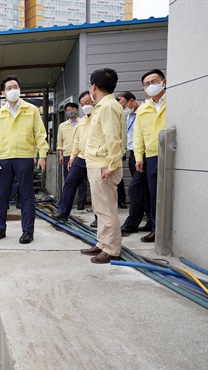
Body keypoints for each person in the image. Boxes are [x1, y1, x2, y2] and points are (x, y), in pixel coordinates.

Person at [0, 75, 49, 244]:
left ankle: (28, 231)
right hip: (4, 159)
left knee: (27, 195)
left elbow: (40, 135)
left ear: (19, 89)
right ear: (3, 92)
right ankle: (0, 228)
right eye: (9, 88)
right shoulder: (0, 114)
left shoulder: (31, 110)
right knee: (1, 195)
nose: (12, 90)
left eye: (15, 87)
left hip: (25, 157)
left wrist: (42, 155)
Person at [80, 68, 126, 264]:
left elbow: (113, 138)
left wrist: (112, 165)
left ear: (94, 86)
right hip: (97, 164)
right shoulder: (103, 106)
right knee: (100, 208)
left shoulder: (107, 107)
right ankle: (102, 243)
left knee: (106, 209)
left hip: (103, 166)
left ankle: (111, 249)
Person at [133, 69, 167, 243]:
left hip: (172, 153)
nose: (150, 86)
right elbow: (138, 135)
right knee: (154, 194)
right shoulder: (143, 109)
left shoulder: (174, 102)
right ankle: (156, 229)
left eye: (154, 82)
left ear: (164, 82)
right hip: (152, 155)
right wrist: (139, 157)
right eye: (146, 84)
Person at [117, 91, 153, 235]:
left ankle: (132, 223)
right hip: (133, 153)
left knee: (135, 189)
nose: (123, 109)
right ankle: (150, 221)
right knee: (144, 190)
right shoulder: (128, 117)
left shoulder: (144, 112)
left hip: (144, 154)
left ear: (132, 101)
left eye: (124, 105)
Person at [53, 92, 92, 219]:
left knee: (95, 186)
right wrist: (71, 158)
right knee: (69, 181)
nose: (85, 106)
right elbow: (76, 141)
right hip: (78, 156)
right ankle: (63, 212)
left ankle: (97, 216)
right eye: (82, 104)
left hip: (95, 156)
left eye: (87, 103)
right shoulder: (82, 122)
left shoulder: (98, 117)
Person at [57, 102, 86, 210]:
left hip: (80, 156)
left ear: (77, 110)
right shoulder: (62, 126)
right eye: (68, 110)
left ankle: (81, 202)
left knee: (82, 181)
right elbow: (59, 143)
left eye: (72, 109)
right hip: (67, 155)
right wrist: (60, 155)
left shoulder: (83, 123)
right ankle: (68, 204)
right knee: (68, 180)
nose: (70, 112)